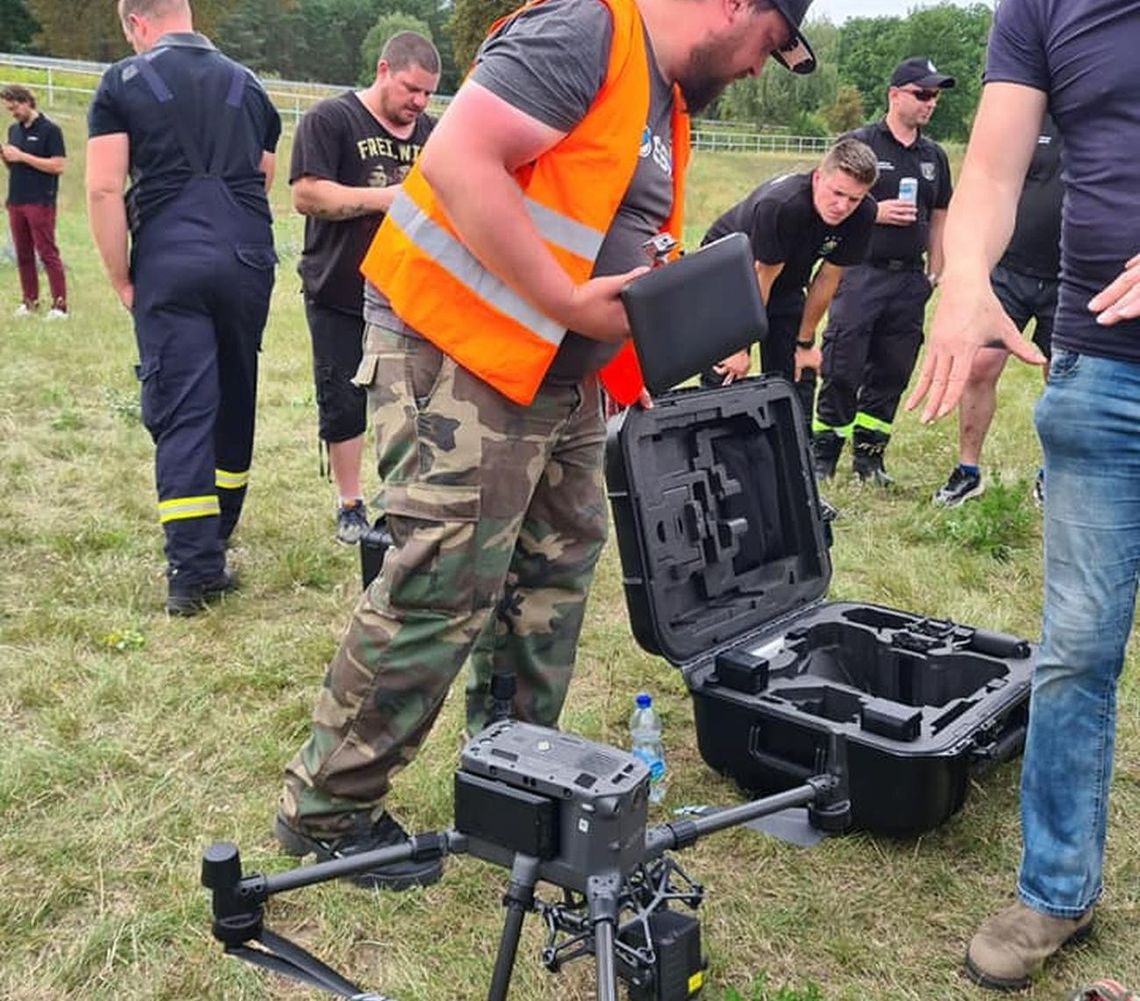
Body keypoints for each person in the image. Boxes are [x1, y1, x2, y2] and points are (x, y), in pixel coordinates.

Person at [275, 0, 819, 891]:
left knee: (553, 577)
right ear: (735, 5)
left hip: (561, 376)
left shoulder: (667, 100)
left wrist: (630, 360)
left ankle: (513, 776)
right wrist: (565, 303)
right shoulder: (589, 31)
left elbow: (608, 238)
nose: (762, 66)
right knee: (444, 580)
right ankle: (329, 808)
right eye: (772, 42)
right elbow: (457, 158)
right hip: (457, 348)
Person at [905, 0, 1140, 990]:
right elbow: (996, 170)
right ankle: (1056, 888)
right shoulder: (1042, 6)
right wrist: (964, 274)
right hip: (1099, 372)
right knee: (1076, 646)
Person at [86, 0, 280, 616]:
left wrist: (121, 277)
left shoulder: (123, 82)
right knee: (235, 393)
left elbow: (103, 187)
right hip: (248, 254)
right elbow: (263, 174)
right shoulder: (249, 86)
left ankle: (194, 571)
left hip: (170, 256)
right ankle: (220, 530)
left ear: (136, 23)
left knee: (182, 407)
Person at [291, 31, 440, 545]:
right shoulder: (331, 120)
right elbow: (307, 194)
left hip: (411, 296)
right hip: (339, 290)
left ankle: (409, 500)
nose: (418, 103)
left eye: (427, 93)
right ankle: (350, 503)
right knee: (343, 400)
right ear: (382, 70)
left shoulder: (434, 132)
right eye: (410, 89)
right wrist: (386, 199)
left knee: (417, 403)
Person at [812, 57, 954, 486]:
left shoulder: (934, 156)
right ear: (894, 95)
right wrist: (875, 212)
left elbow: (940, 213)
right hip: (861, 272)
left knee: (892, 371)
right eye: (922, 94)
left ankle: (870, 460)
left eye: (935, 96)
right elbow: (831, 202)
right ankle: (823, 457)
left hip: (909, 279)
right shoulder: (861, 145)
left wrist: (936, 269)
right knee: (843, 365)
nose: (931, 103)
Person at [699, 137, 878, 433]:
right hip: (728, 277)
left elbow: (827, 278)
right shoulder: (783, 205)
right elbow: (761, 276)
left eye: (854, 199)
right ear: (818, 178)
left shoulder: (864, 213)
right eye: (837, 193)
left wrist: (804, 344)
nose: (842, 206)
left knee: (797, 374)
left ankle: (795, 451)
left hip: (786, 279)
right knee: (728, 369)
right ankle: (718, 446)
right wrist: (738, 345)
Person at [932, 114, 1062, 508]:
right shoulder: (1027, 114)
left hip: (1069, 274)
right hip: (1009, 268)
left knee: (1061, 378)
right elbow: (988, 181)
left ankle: (1054, 473)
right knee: (979, 366)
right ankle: (967, 471)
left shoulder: (1095, 116)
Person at [1, 84, 68, 319]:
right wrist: (7, 157)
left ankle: (59, 305)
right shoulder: (14, 131)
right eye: (9, 110)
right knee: (23, 253)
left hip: (40, 200)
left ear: (27, 102)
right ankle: (29, 301)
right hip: (16, 199)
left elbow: (58, 165)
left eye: (15, 108)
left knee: (47, 252)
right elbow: (15, 166)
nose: (13, 113)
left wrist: (22, 156)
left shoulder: (50, 130)